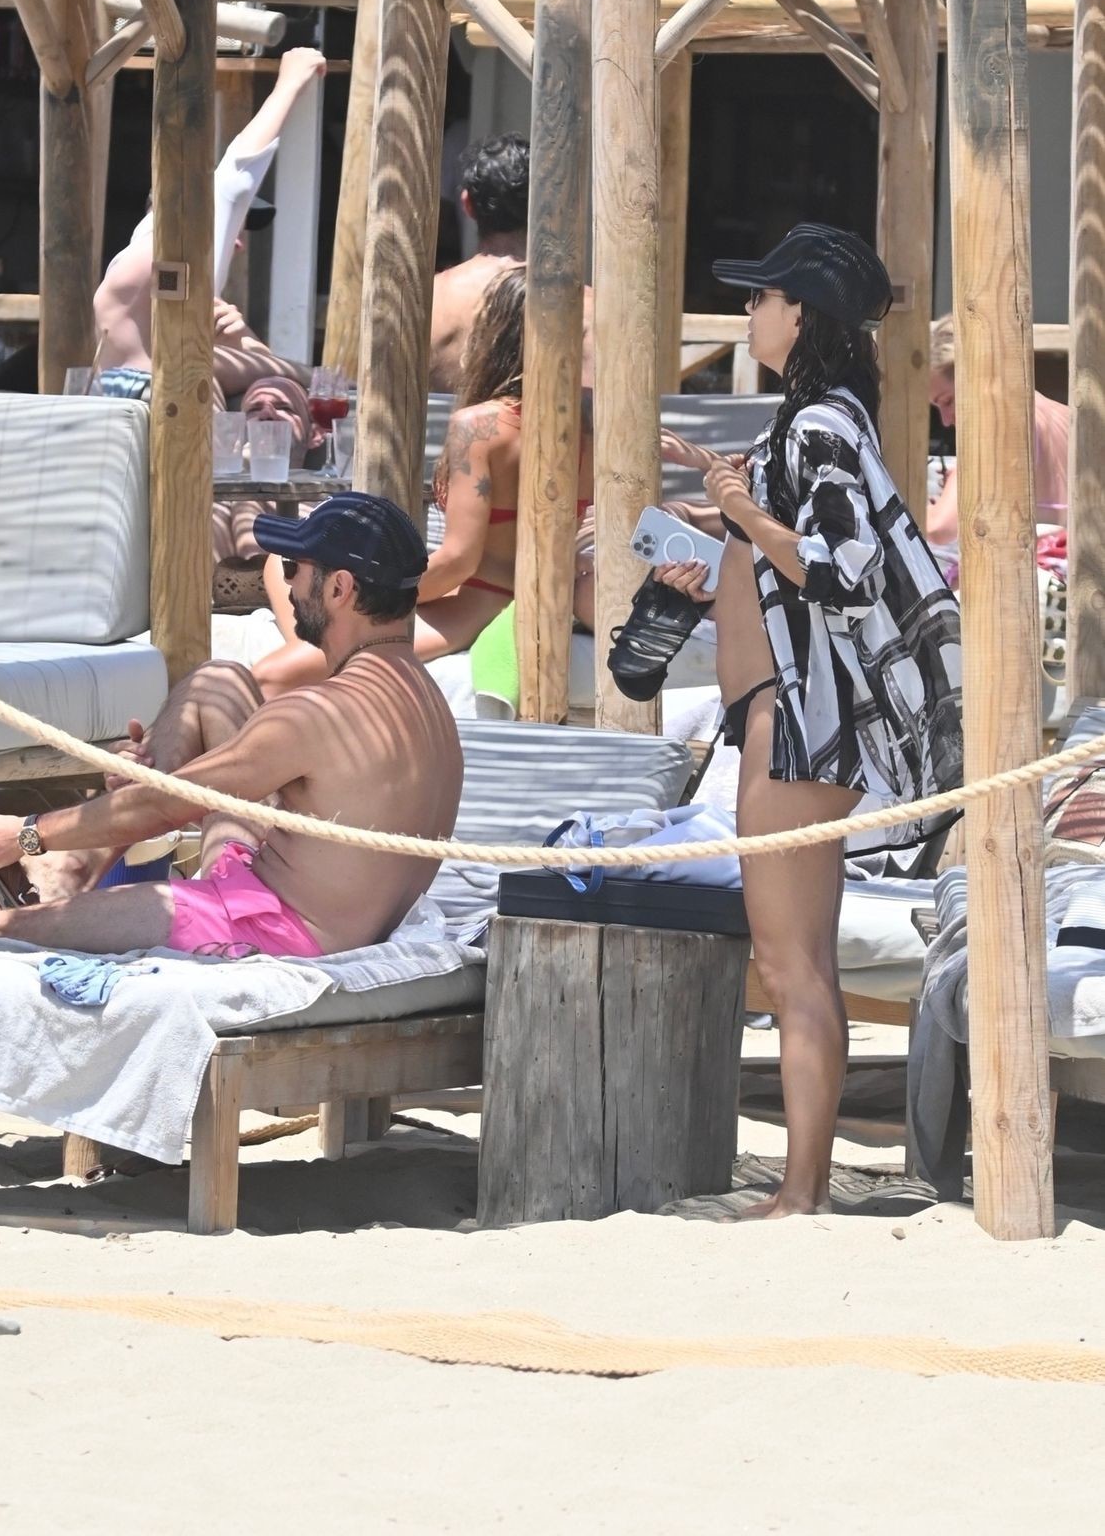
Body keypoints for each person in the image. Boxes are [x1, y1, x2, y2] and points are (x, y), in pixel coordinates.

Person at [609, 224, 962, 1220]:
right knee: (794, 959)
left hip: (799, 724)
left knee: (790, 961)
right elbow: (779, 567)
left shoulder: (818, 429)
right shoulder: (810, 426)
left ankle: (799, 1192)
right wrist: (717, 526)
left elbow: (841, 569)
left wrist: (742, 511)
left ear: (801, 312)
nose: (749, 312)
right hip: (785, 716)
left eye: (761, 297)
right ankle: (799, 1185)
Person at [0, 495, 463, 959]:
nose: (287, 583)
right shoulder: (426, 705)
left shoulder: (319, 712)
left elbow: (165, 805)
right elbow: (189, 795)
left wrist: (26, 834)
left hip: (274, 931)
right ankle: (72, 870)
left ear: (340, 587)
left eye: (293, 568)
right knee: (218, 682)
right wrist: (145, 786)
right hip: (305, 905)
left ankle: (59, 870)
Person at [256, 268, 594, 696]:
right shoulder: (589, 426)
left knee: (271, 672)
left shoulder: (481, 426)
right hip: (526, 597)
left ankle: (321, 657)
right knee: (284, 558)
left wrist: (375, 591)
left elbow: (458, 561)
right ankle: (323, 652)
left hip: (476, 604)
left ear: (497, 334)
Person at [91, 47, 326, 401]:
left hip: (133, 396)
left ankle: (330, 380)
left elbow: (263, 367)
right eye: (237, 227)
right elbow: (235, 177)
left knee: (276, 380)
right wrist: (291, 81)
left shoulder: (175, 285)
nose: (238, 243)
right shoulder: (173, 236)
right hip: (143, 391)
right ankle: (335, 380)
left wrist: (241, 334)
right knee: (305, 379)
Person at [428, 135, 598, 393]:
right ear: (546, 207)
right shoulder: (585, 307)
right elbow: (595, 407)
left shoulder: (431, 300)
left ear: (467, 204)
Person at [925, 312, 1069, 548]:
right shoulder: (1059, 412)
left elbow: (939, 529)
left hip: (1036, 566)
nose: (946, 420)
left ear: (977, 377)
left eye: (948, 401)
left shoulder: (993, 426)